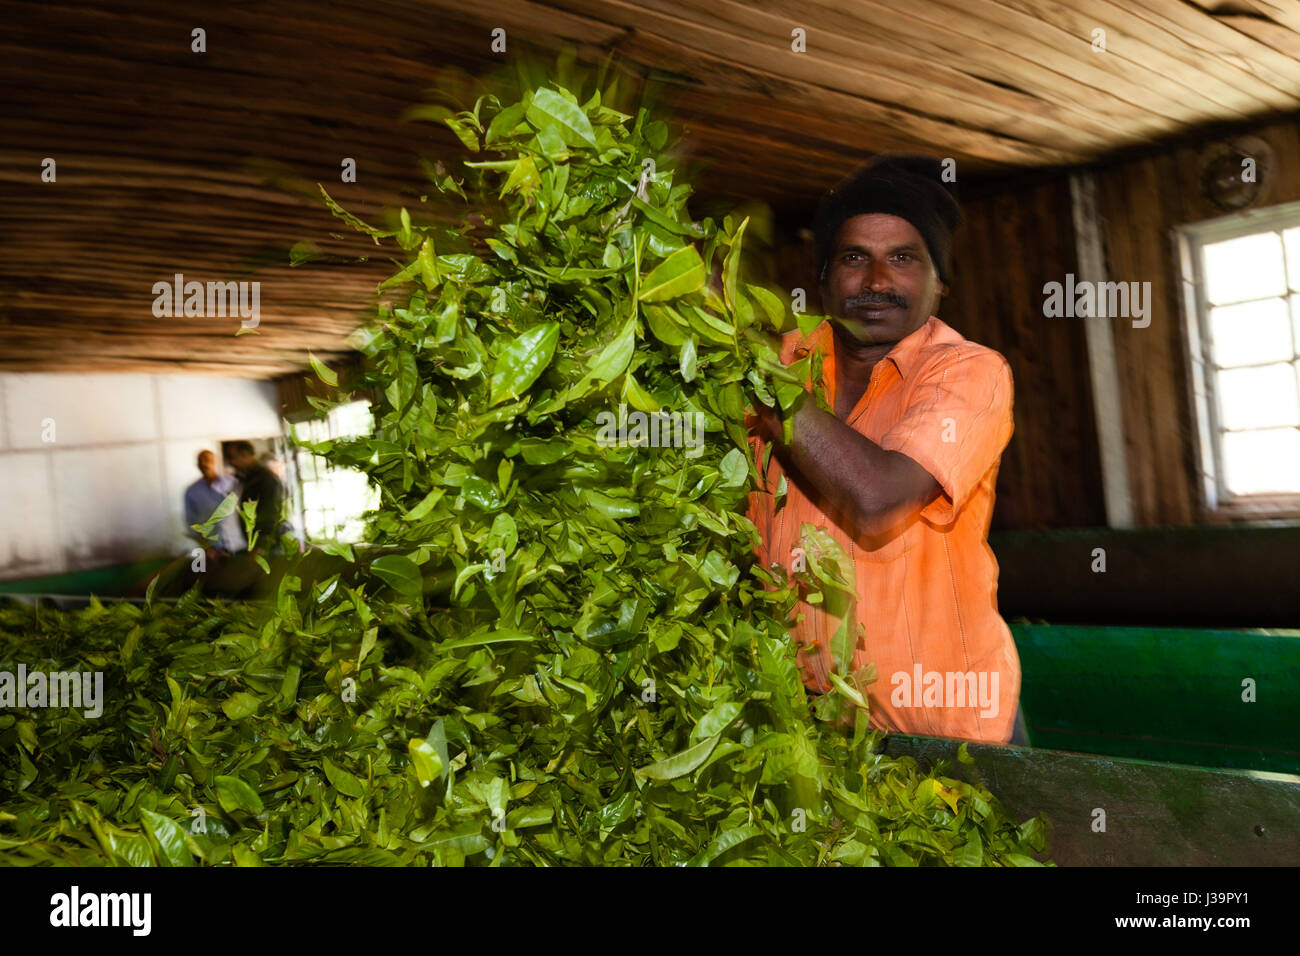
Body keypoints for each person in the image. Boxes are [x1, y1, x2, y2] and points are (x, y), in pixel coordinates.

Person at [747, 154, 1026, 745]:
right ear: (823, 278)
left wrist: (761, 380)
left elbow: (877, 499)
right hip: (809, 729)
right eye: (854, 258)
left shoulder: (970, 374)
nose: (877, 282)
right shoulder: (785, 360)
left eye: (903, 258)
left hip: (946, 736)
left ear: (940, 283)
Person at [183, 450, 246, 558]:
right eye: (200, 461)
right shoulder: (191, 491)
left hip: (239, 545)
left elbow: (246, 511)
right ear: (197, 465)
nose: (204, 464)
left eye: (207, 460)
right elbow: (191, 523)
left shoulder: (233, 483)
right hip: (214, 550)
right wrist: (207, 548)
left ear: (215, 462)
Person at [227, 441, 287, 554]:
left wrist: (260, 546)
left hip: (264, 549)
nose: (231, 462)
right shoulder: (245, 480)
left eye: (233, 457)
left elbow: (269, 514)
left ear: (245, 455)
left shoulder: (265, 480)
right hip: (250, 546)